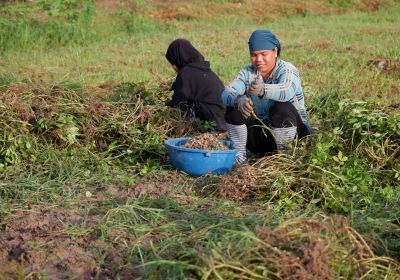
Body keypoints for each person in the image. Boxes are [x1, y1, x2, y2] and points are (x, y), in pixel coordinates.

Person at [221, 29, 311, 163]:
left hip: (296, 136)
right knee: (234, 108)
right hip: (262, 138)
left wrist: (263, 90)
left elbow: (287, 91)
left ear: (275, 52)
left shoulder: (287, 69)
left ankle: (285, 159)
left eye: (264, 54)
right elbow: (226, 92)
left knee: (282, 107)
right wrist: (238, 100)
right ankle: (239, 159)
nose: (258, 60)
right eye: (254, 55)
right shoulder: (248, 72)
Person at [165, 38, 227, 131]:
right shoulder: (204, 70)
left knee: (185, 108)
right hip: (225, 121)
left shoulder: (187, 73)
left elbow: (177, 102)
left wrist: (163, 108)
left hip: (213, 123)